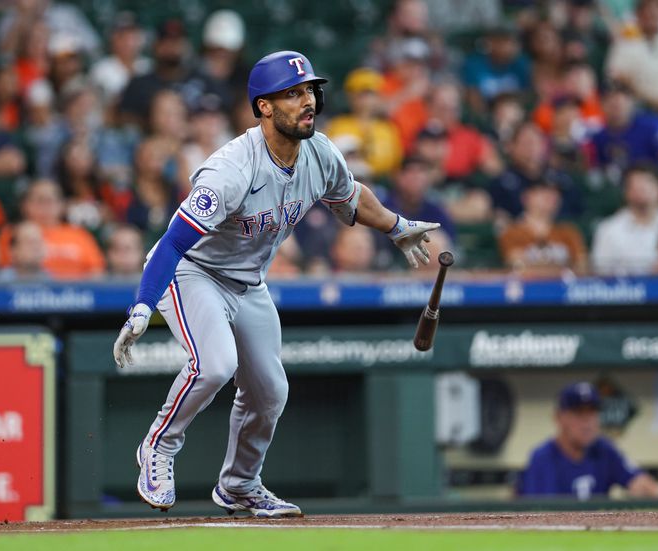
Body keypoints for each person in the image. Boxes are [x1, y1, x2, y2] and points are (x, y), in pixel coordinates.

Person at [112, 51, 440, 516]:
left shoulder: (320, 152)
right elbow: (171, 244)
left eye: (309, 90)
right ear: (264, 106)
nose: (307, 100)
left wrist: (394, 225)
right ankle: (159, 448)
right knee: (215, 365)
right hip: (193, 271)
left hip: (249, 282)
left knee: (270, 392)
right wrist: (143, 305)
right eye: (292, 93)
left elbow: (351, 195)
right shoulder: (231, 169)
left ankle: (240, 485)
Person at [519, 382, 658, 500]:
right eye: (579, 413)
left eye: (592, 412)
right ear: (559, 418)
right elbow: (540, 512)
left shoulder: (604, 449)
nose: (587, 422)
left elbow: (648, 486)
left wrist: (638, 490)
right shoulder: (542, 456)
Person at [591, 164, 658, 275]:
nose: (642, 188)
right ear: (626, 192)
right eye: (636, 185)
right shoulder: (609, 229)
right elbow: (600, 274)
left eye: (648, 182)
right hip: (624, 290)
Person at [325, 67, 403, 179]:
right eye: (363, 93)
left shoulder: (387, 128)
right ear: (350, 96)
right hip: (345, 183)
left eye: (373, 93)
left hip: (381, 184)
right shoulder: (337, 125)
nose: (368, 99)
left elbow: (396, 166)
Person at [498, 178, 588, 276]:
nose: (551, 195)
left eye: (555, 192)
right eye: (542, 190)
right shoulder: (512, 232)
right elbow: (518, 266)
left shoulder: (569, 231)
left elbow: (582, 267)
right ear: (526, 197)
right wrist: (562, 269)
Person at [606, 0, 658, 112]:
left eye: (656, 12)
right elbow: (613, 78)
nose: (652, 16)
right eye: (647, 13)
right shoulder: (624, 46)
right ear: (638, 16)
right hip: (639, 109)